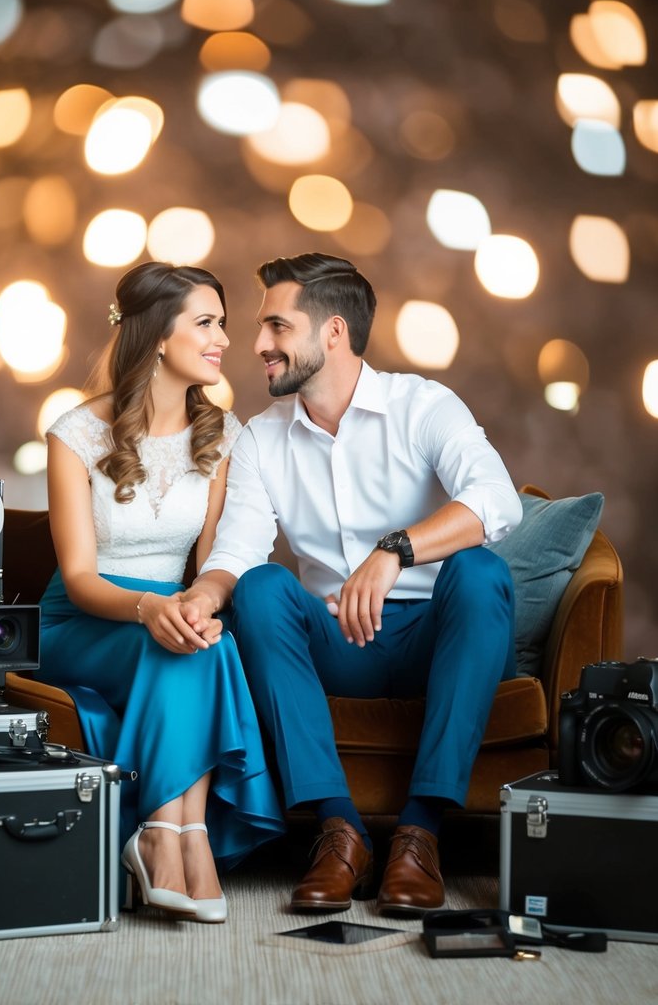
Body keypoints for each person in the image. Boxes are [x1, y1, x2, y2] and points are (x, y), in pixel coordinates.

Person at [181, 252, 522, 916]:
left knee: (480, 571)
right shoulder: (259, 438)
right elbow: (238, 551)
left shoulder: (422, 405)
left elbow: (497, 500)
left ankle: (420, 834)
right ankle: (339, 833)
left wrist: (395, 550)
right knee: (259, 588)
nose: (256, 346)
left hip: (441, 642)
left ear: (331, 332)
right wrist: (201, 595)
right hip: (340, 644)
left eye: (276, 327)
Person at [34, 261, 284, 924]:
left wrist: (192, 607)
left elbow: (211, 565)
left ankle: (177, 836)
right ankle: (169, 833)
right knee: (173, 644)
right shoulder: (73, 432)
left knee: (204, 641)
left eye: (222, 325)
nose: (223, 339)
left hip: (173, 612)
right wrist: (149, 608)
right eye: (205, 323)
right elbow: (82, 578)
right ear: (154, 334)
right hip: (82, 621)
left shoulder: (226, 436)